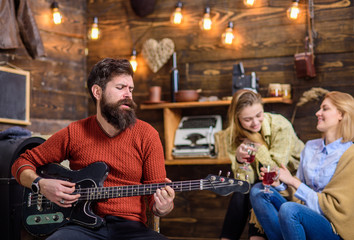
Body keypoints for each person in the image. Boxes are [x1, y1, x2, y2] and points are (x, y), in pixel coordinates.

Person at [11, 58, 175, 240]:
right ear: (97, 92)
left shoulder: (147, 135)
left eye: (131, 89)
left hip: (130, 229)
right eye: (120, 88)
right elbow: (22, 162)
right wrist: (40, 184)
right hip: (79, 227)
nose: (128, 95)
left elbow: (157, 197)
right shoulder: (75, 132)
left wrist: (163, 206)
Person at [250, 91, 354, 240]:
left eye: (325, 108)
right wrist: (280, 185)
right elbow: (297, 196)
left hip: (331, 227)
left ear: (341, 114)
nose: (318, 113)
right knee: (259, 191)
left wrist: (292, 181)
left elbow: (337, 208)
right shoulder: (311, 147)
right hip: (299, 214)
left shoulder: (350, 154)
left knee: (290, 209)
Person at [218, 89, 304, 240]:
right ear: (237, 118)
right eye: (247, 119)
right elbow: (245, 180)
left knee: (259, 186)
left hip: (290, 182)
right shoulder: (231, 136)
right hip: (259, 182)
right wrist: (239, 160)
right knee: (241, 189)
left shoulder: (280, 126)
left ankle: (255, 237)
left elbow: (277, 171)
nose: (255, 123)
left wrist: (259, 148)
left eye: (259, 115)